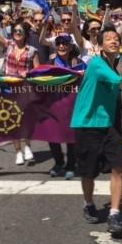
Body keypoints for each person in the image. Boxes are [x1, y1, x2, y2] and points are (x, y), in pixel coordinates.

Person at [71, 24, 122, 235]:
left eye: (116, 38)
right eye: (109, 38)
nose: (114, 41)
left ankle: (114, 213)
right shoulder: (97, 63)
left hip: (108, 125)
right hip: (87, 124)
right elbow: (121, 84)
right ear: (101, 44)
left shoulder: (117, 64)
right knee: (88, 173)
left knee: (118, 166)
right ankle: (88, 203)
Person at [0, 5, 40, 165]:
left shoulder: (32, 51)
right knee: (13, 121)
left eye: (20, 31)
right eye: (15, 31)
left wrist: (29, 74)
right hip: (8, 89)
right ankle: (18, 151)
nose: (17, 34)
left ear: (25, 34)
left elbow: (38, 71)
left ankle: (27, 146)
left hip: (25, 90)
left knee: (26, 120)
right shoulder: (9, 45)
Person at [48, 33, 86, 180]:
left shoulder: (78, 63)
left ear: (70, 46)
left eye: (65, 43)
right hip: (54, 105)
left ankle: (71, 165)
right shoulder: (50, 63)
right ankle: (58, 163)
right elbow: (38, 78)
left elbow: (89, 78)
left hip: (72, 106)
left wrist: (84, 73)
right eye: (58, 43)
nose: (61, 46)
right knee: (52, 135)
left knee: (71, 137)